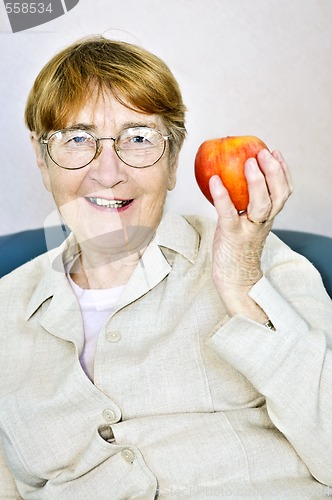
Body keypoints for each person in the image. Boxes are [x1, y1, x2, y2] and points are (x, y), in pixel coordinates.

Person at [0, 35, 331, 500]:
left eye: (138, 138)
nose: (108, 171)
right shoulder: (4, 312)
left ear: (174, 161)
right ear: (41, 158)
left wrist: (242, 286)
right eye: (77, 139)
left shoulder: (264, 262)